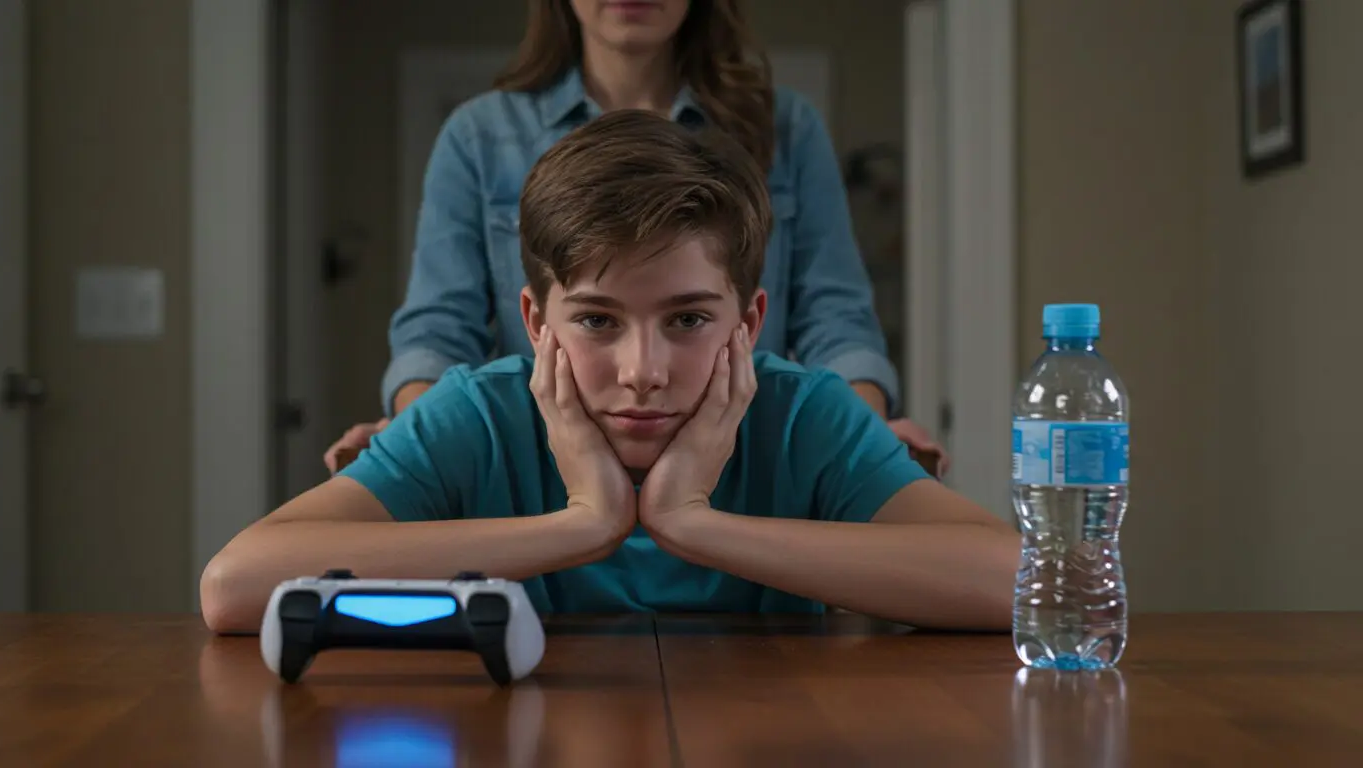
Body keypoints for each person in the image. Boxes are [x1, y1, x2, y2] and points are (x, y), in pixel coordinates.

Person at [200, 109, 1017, 634]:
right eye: (596, 320)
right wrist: (583, 523)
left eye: (689, 320)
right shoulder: (478, 414)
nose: (644, 372)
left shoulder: (805, 414)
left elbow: (1023, 582)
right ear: (534, 322)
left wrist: (691, 521)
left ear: (750, 321)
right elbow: (234, 586)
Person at [323, 0, 949, 477]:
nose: (641, 371)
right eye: (599, 318)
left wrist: (860, 437)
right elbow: (436, 331)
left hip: (746, 468)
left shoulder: (785, 128)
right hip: (547, 471)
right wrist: (418, 439)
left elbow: (836, 320)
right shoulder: (479, 137)